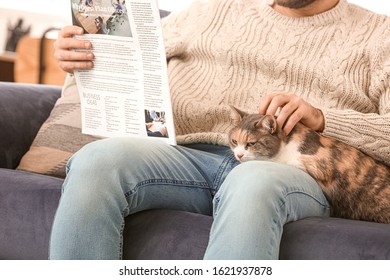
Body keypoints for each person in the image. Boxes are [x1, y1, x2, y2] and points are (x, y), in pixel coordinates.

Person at [50, 0, 390, 259]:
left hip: (292, 169)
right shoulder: (215, 9)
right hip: (186, 156)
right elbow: (124, 62)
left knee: (252, 181)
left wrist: (323, 118)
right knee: (98, 161)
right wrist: (82, 57)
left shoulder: (379, 34)